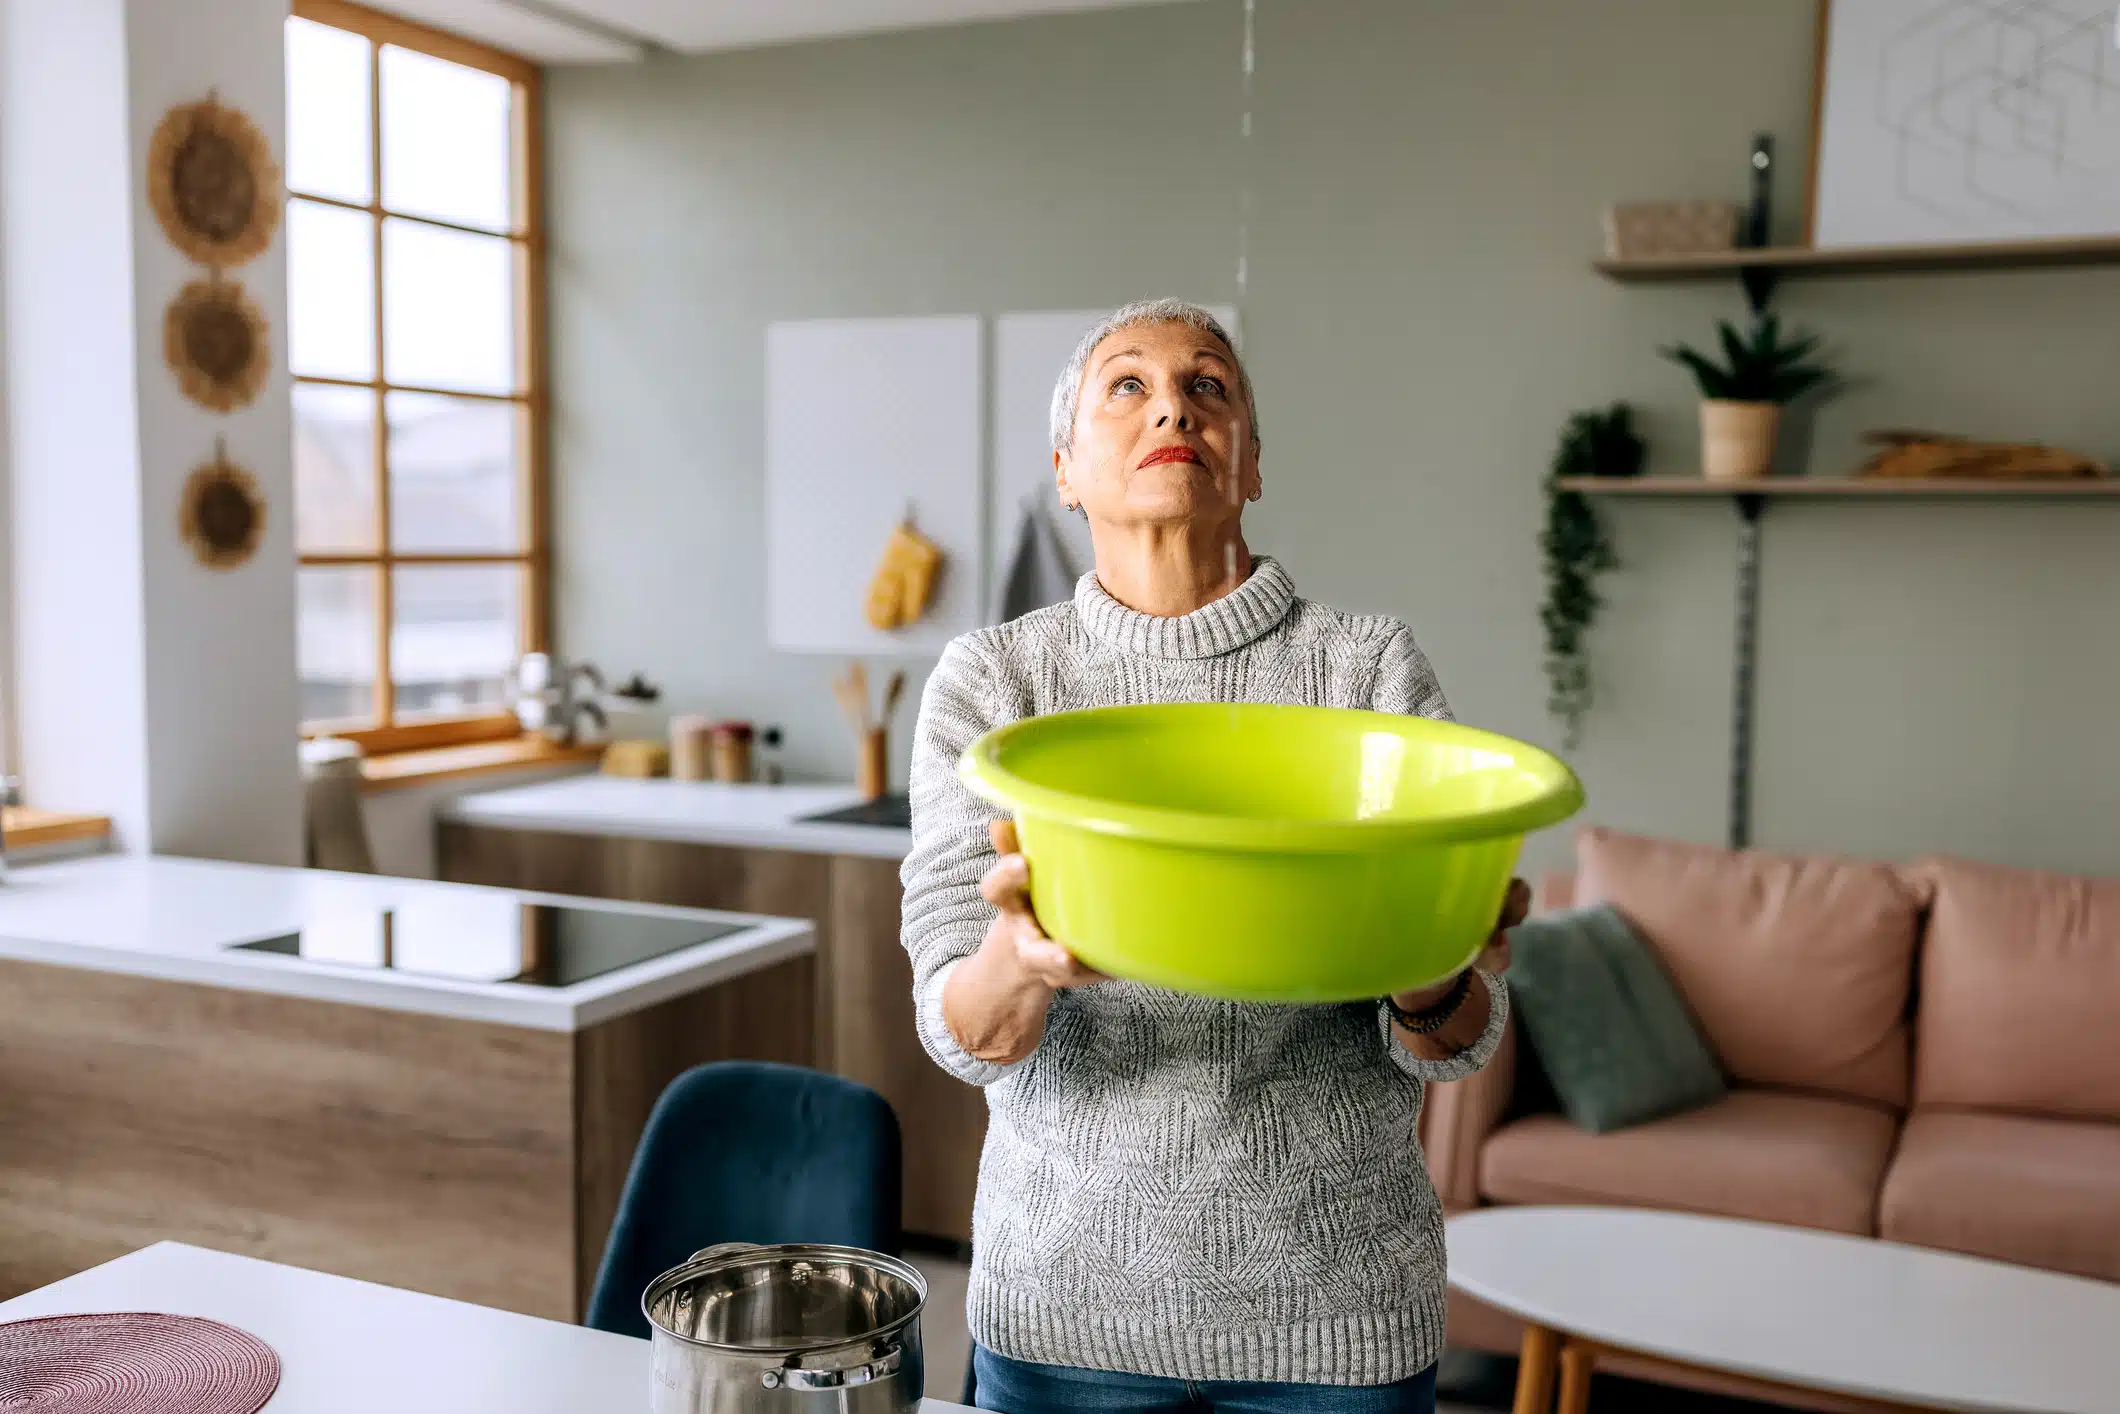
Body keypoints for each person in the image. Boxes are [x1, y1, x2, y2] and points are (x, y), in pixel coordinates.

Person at [900, 298, 1528, 1414]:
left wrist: (1432, 965)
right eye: (1126, 385)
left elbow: (1458, 1041)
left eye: (1209, 385)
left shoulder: (1364, 668)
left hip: (1337, 1320)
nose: (1171, 406)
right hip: (1062, 1312)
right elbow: (961, 1031)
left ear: (1247, 464)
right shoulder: (994, 683)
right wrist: (1022, 954)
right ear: (1065, 469)